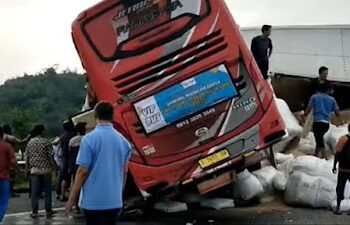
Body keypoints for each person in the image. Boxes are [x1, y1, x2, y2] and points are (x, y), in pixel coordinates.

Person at [66, 102, 131, 225]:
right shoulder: (123, 141)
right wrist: (118, 194)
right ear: (112, 116)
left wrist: (72, 199)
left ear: (95, 115)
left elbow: (82, 171)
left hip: (93, 201)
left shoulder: (89, 139)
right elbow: (125, 171)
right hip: (114, 200)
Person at [303, 83, 342, 159]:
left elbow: (309, 108)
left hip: (317, 122)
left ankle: (324, 156)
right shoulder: (332, 99)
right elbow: (337, 113)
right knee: (319, 138)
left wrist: (303, 116)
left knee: (319, 139)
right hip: (326, 123)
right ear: (328, 90)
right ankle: (316, 153)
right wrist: (340, 121)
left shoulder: (314, 97)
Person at [25, 125, 56, 218]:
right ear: (42, 131)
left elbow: (27, 157)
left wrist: (27, 169)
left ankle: (34, 212)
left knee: (35, 192)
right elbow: (50, 157)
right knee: (47, 191)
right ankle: (48, 210)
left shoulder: (30, 142)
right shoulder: (46, 142)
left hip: (34, 171)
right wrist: (54, 167)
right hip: (46, 170)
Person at [2, 124, 30, 197]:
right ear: (9, 130)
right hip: (9, 156)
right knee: (12, 175)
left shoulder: (2, 137)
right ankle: (10, 191)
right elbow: (21, 142)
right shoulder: (10, 137)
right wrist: (28, 137)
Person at [67, 122, 87, 214]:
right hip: (86, 164)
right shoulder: (87, 139)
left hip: (75, 165)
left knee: (76, 184)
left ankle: (76, 206)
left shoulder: (72, 140)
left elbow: (69, 153)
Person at [0, 127, 17, 222]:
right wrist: (16, 170)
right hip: (3, 177)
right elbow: (13, 161)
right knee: (3, 200)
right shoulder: (7, 146)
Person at [333, 123, 350, 214]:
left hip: (343, 168)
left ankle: (338, 207)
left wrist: (334, 166)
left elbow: (337, 153)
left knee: (340, 187)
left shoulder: (343, 139)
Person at [58, 120, 76, 201]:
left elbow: (61, 148)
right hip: (71, 158)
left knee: (63, 177)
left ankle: (61, 193)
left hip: (63, 158)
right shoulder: (72, 136)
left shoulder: (62, 136)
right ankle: (68, 194)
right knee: (70, 177)